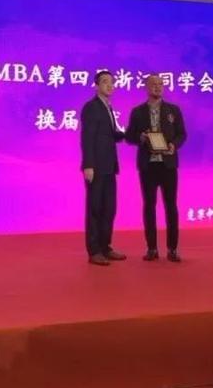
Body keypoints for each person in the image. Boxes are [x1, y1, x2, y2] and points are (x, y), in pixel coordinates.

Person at [125, 74, 187, 262]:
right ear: (146, 87)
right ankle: (152, 248)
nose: (158, 87)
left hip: (168, 165)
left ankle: (172, 249)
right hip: (148, 166)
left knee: (171, 206)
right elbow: (129, 136)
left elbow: (182, 134)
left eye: (161, 84)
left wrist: (174, 145)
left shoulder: (173, 110)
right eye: (153, 84)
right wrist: (141, 138)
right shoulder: (138, 112)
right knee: (149, 206)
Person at [80, 70, 127, 266]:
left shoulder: (108, 107)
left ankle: (105, 246)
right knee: (95, 209)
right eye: (105, 82)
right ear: (96, 86)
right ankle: (94, 251)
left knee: (109, 209)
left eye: (112, 82)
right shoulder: (91, 107)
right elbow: (87, 138)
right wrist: (88, 165)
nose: (110, 85)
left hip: (109, 166)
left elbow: (112, 135)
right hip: (96, 167)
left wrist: (131, 133)